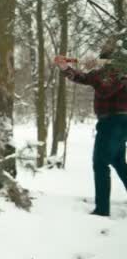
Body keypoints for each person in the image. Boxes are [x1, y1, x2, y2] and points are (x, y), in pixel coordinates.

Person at [54, 37, 127, 216]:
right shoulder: (110, 71)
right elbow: (86, 78)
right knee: (118, 162)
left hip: (113, 122)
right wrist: (66, 68)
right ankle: (102, 208)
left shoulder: (118, 71)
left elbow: (103, 87)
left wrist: (96, 71)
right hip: (117, 122)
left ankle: (102, 210)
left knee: (100, 163)